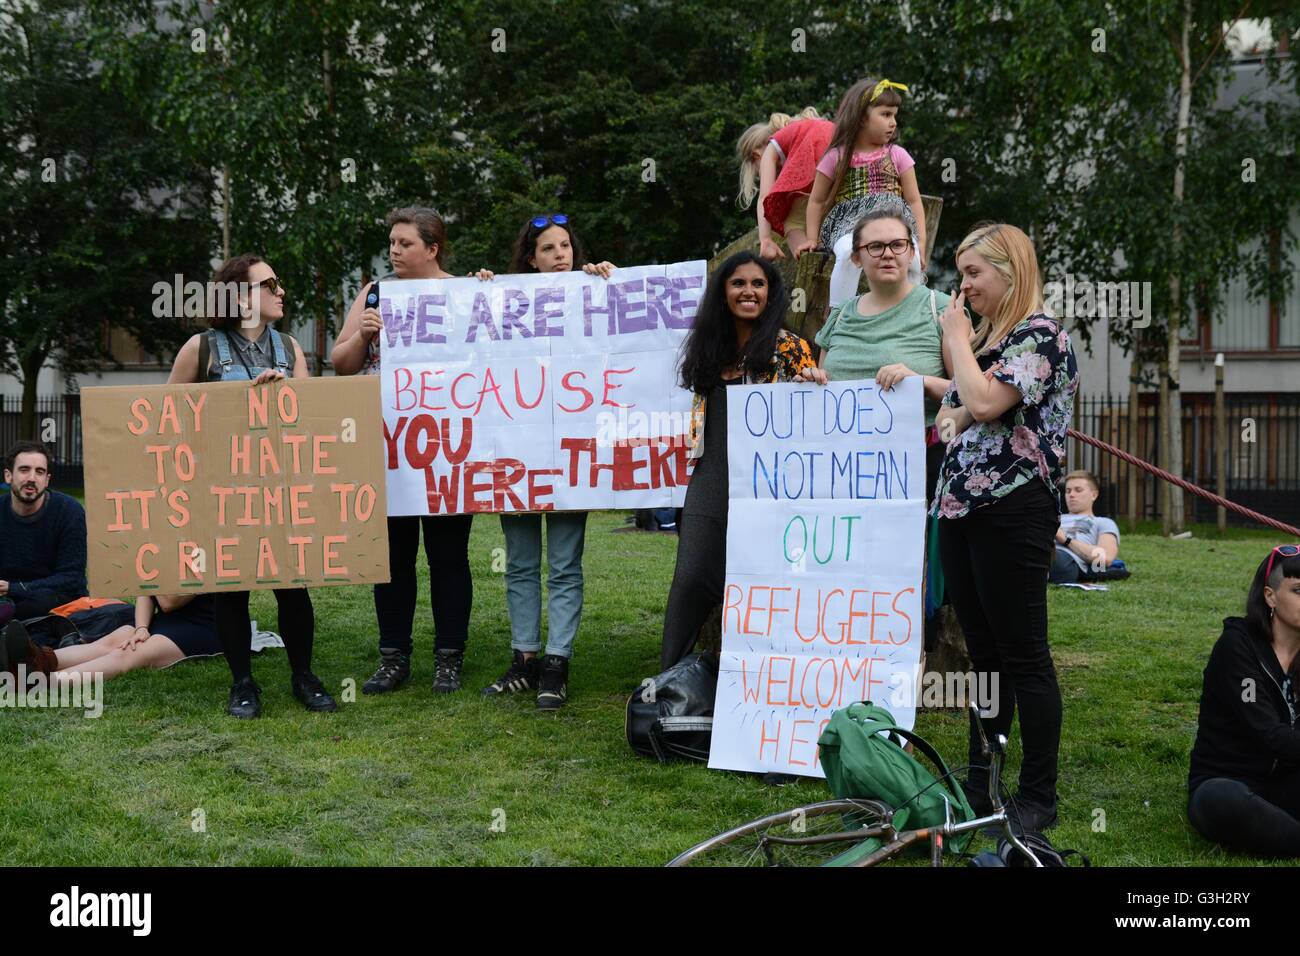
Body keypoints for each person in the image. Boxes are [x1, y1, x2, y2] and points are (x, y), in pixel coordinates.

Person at [931, 223, 1078, 832]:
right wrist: (955, 404)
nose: (963, 286)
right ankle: (981, 781)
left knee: (1023, 654)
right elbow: (967, 403)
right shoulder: (997, 340)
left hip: (1014, 509)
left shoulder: (1041, 335)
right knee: (984, 654)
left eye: (974, 274)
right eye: (960, 273)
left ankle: (1037, 796)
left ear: (1011, 273)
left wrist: (958, 346)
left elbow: (988, 404)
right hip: (962, 509)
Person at [169, 253, 336, 718]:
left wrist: (283, 397)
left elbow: (307, 423)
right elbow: (167, 418)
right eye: (271, 284)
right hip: (223, 488)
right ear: (241, 295)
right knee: (232, 587)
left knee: (292, 584)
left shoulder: (289, 348)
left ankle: (304, 675)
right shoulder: (199, 350)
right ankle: (242, 683)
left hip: (280, 487)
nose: (281, 292)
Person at [465, 214, 614, 709]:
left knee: (566, 565)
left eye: (565, 246)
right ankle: (525, 660)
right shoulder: (504, 303)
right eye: (548, 249)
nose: (560, 255)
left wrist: (612, 286)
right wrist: (479, 294)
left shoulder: (594, 293)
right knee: (522, 564)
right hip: (518, 454)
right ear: (531, 258)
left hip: (571, 456)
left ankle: (557, 663)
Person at [795, 208, 952, 648]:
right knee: (850, 559)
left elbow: (966, 394)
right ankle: (846, 649)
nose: (888, 254)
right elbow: (824, 381)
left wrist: (917, 378)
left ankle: (905, 657)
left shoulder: (938, 308)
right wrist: (812, 381)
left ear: (912, 252)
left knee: (905, 562)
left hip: (916, 461)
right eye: (875, 246)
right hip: (843, 465)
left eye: (898, 244)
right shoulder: (841, 316)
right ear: (858, 258)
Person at [659, 251, 815, 670]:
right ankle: (668, 681)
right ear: (723, 292)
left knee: (758, 583)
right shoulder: (708, 346)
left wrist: (813, 383)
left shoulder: (789, 347)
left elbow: (810, 419)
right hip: (711, 477)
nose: (749, 291)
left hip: (767, 486)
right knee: (691, 579)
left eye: (758, 284)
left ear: (771, 293)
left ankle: (757, 677)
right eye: (738, 283)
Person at [1188, 545, 1300, 857]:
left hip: (1288, 780)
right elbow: (1268, 734)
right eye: (1299, 590)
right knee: (1222, 800)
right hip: (1230, 781)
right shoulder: (1237, 648)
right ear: (1270, 596)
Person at [795, 77, 928, 307]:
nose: (894, 122)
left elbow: (914, 200)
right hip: (850, 224)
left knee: (912, 258)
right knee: (847, 253)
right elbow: (816, 201)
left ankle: (911, 313)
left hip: (892, 222)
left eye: (895, 115)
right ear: (861, 117)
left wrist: (921, 243)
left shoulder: (897, 155)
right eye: (886, 114)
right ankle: (839, 316)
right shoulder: (836, 157)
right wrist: (812, 238)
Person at [3, 593, 218, 681]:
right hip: (170, 620)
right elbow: (146, 590)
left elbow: (169, 601)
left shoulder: (207, 548)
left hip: (207, 626)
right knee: (117, 637)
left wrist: (158, 567)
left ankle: (42, 682)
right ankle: (39, 658)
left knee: (129, 654)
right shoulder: (166, 540)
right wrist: (142, 627)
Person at [0, 441, 87, 629]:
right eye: (24, 470)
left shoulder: (69, 512)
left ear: (47, 480)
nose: (32, 478)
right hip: (7, 597)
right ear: (8, 476)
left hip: (54, 598)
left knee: (41, 601)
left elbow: (72, 578)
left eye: (39, 472)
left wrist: (14, 588)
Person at [734, 108, 832, 261]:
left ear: (756, 155)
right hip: (840, 156)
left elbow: (764, 198)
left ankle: (808, 261)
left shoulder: (771, 148)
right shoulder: (800, 130)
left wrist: (765, 239)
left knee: (792, 222)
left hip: (820, 171)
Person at [1050, 470, 1121, 584]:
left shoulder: (1103, 522)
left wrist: (1065, 539)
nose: (1071, 495)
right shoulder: (1054, 516)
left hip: (1065, 560)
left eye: (1078, 490)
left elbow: (1105, 559)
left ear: (1094, 495)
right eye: (1068, 491)